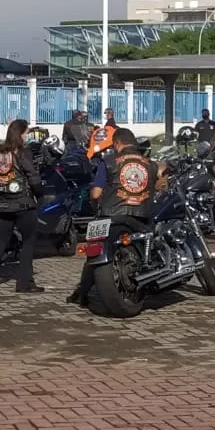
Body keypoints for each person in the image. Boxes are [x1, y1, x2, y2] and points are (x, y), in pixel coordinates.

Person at [69, 127, 162, 306]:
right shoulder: (150, 164)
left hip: (109, 215)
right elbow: (156, 187)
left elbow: (96, 194)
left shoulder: (109, 161)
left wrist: (96, 206)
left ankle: (83, 291)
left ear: (117, 144)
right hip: (140, 217)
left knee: (93, 249)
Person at [0, 119, 45, 294]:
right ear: (20, 134)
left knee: (0, 242)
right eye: (26, 132)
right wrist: (39, 194)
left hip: (3, 203)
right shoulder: (22, 153)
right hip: (23, 203)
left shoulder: (0, 153)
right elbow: (32, 176)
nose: (28, 136)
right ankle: (25, 282)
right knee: (28, 242)